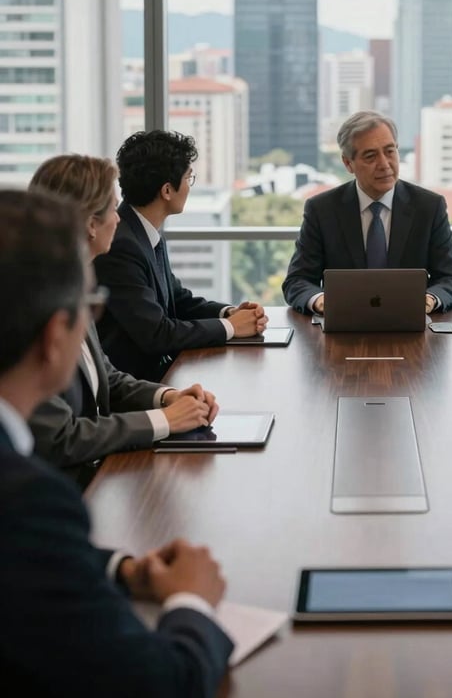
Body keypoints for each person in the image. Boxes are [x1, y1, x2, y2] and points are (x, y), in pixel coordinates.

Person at [0, 188, 232, 695]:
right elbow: (162, 683)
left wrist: (119, 569)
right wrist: (191, 602)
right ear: (55, 335)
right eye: (91, 304)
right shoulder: (29, 499)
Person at [28, 154, 220, 487]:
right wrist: (162, 421)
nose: (119, 218)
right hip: (60, 490)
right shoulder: (33, 306)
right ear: (90, 223)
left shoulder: (72, 284)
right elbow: (61, 438)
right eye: (113, 208)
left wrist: (167, 397)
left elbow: (107, 378)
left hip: (96, 472)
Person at [95, 130, 267, 380]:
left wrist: (228, 313)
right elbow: (157, 334)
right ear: (167, 190)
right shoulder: (121, 245)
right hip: (135, 387)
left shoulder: (142, 231)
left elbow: (177, 299)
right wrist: (231, 328)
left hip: (160, 374)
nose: (189, 186)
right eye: (189, 177)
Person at [282, 110, 452, 314]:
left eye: (390, 151)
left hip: (412, 327)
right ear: (348, 163)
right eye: (371, 156)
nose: (384, 164)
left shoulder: (429, 207)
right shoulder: (322, 209)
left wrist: (429, 299)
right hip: (343, 327)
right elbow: (297, 281)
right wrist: (320, 301)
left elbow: (451, 279)